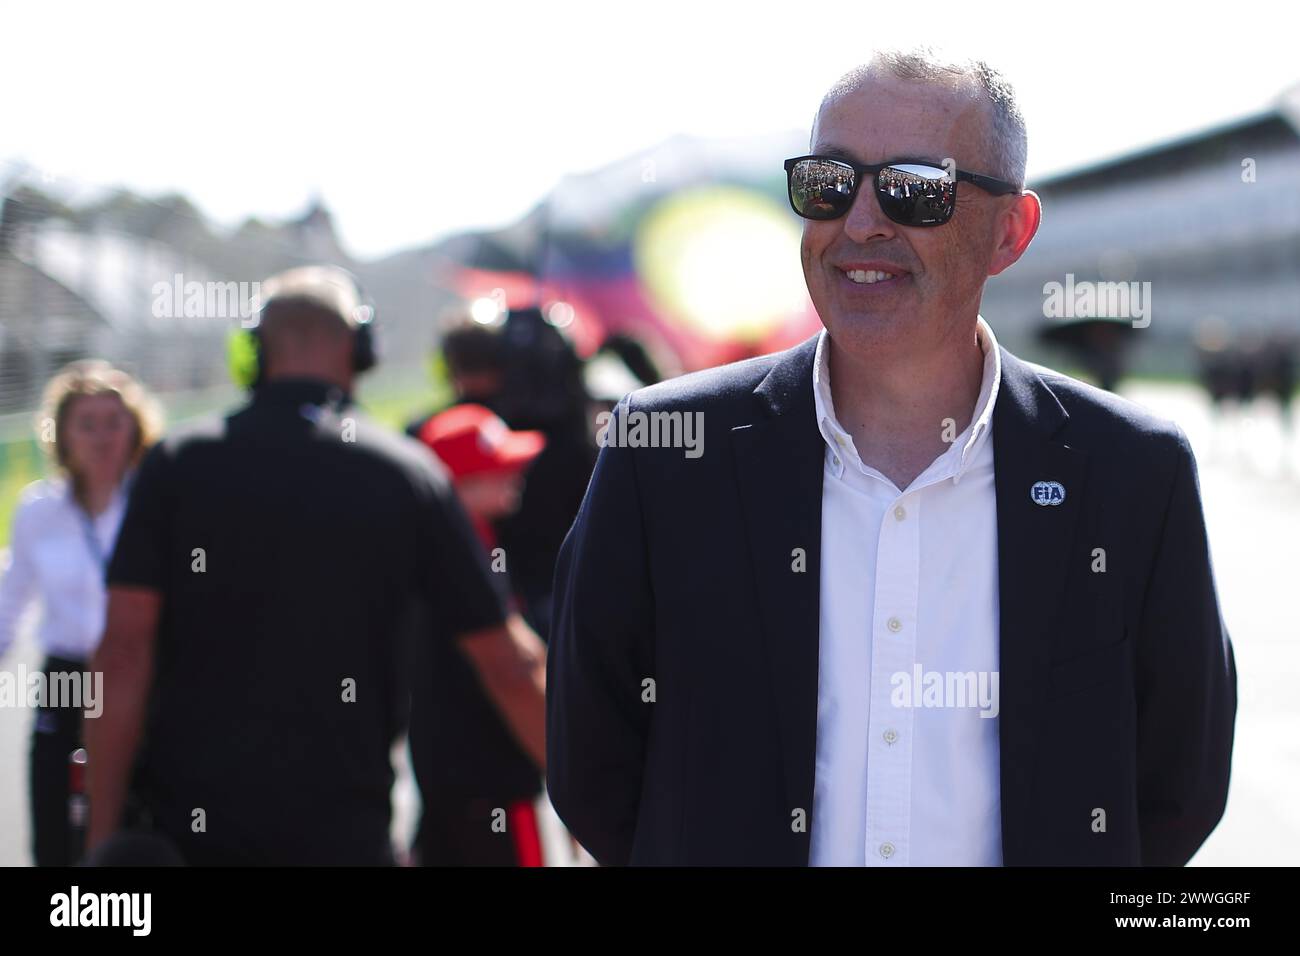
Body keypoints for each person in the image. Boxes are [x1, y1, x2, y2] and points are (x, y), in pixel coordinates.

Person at [546, 49, 1237, 866]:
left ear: (1009, 232)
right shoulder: (664, 454)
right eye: (829, 183)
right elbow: (591, 763)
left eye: (914, 189)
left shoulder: (1131, 475)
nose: (861, 222)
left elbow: (1178, 786)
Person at [85, 265, 548, 865]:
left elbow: (121, 652)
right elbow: (510, 665)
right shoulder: (405, 474)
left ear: (253, 351)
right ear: (361, 350)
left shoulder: (176, 463)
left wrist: (99, 833)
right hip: (343, 837)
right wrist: (600, 816)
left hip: (188, 834)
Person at [0, 360, 161, 866]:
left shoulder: (155, 504)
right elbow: (12, 599)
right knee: (55, 818)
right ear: (62, 434)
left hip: (138, 672)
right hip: (67, 675)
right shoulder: (39, 511)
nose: (101, 437)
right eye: (86, 424)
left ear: (135, 426)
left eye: (113, 422)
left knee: (136, 818)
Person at [412, 403, 547, 865]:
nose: (517, 472)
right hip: (489, 780)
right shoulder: (456, 555)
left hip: (451, 778)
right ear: (459, 483)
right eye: (498, 467)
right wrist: (571, 770)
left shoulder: (479, 535)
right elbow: (512, 670)